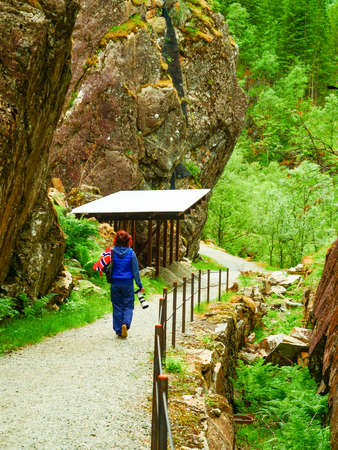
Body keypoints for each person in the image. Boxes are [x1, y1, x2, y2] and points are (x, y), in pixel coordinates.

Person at [93, 230, 144, 338]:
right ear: (128, 241)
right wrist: (140, 285)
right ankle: (125, 324)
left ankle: (118, 330)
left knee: (117, 306)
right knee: (128, 305)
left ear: (116, 240)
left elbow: (102, 265)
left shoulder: (111, 252)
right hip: (128, 284)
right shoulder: (131, 253)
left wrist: (107, 270)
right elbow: (135, 271)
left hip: (115, 284)